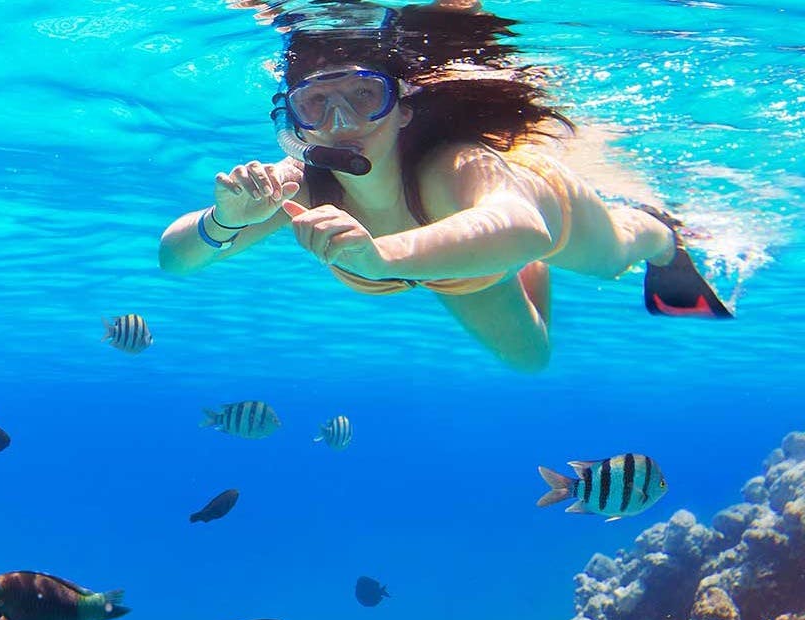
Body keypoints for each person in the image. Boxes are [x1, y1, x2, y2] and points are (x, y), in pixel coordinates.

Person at [158, 6, 732, 373]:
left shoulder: (452, 165)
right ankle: (504, 264)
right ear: (295, 123)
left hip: (541, 205)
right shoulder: (298, 187)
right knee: (531, 360)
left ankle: (663, 233)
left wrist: (378, 255)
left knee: (614, 258)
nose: (341, 123)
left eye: (363, 96)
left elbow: (524, 226)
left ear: (402, 107)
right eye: (315, 105)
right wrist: (224, 220)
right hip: (456, 266)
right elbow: (174, 261)